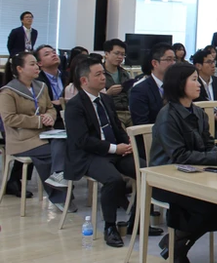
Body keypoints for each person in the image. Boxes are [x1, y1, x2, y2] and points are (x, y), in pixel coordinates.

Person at [64, 56, 161, 248]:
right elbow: (82, 141)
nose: (103, 78)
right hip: (89, 156)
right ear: (84, 80)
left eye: (103, 73)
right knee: (113, 179)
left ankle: (138, 220)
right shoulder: (75, 105)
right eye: (98, 74)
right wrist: (115, 148)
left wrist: (128, 144)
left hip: (113, 151)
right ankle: (110, 226)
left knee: (144, 169)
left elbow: (116, 127)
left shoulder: (106, 100)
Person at [150, 63, 217, 263]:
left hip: (194, 174)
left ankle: (176, 243)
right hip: (166, 178)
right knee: (206, 205)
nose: (199, 84)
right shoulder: (167, 116)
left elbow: (207, 144)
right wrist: (214, 156)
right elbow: (178, 155)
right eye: (193, 80)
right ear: (179, 84)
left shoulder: (198, 112)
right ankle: (178, 245)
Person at [0, 52, 69, 208]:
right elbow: (9, 118)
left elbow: (51, 108)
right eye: (31, 64)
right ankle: (59, 193)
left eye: (36, 63)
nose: (37, 66)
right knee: (54, 151)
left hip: (43, 134)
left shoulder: (41, 86)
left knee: (63, 142)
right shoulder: (8, 92)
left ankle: (58, 177)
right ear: (19, 69)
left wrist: (50, 117)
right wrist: (38, 120)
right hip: (21, 139)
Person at [129, 43, 175, 126]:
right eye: (168, 59)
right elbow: (141, 124)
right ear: (155, 63)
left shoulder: (176, 86)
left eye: (174, 60)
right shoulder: (140, 90)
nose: (173, 63)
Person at [34, 44, 67, 129]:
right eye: (47, 54)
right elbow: (42, 106)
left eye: (54, 52)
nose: (53, 55)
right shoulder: (37, 81)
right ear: (39, 63)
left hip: (70, 117)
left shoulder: (68, 76)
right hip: (50, 122)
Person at [102, 39, 133, 127]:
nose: (120, 57)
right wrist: (108, 93)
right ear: (107, 54)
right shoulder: (99, 73)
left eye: (122, 55)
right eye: (117, 53)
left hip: (128, 112)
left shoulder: (125, 74)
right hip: (111, 112)